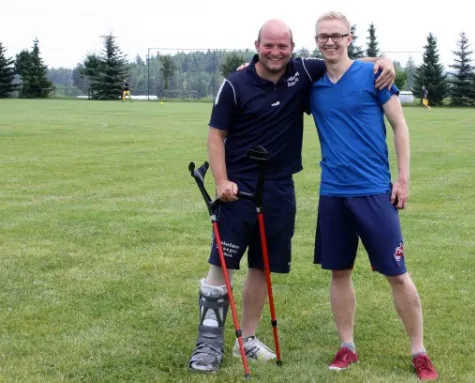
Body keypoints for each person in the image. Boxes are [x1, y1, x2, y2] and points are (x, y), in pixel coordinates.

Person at [188, 18, 397, 374]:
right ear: (256, 45)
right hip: (237, 188)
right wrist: (221, 181)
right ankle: (207, 344)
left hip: (279, 187)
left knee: (262, 266)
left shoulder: (301, 72)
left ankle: (247, 340)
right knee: (222, 263)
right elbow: (215, 135)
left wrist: (384, 60)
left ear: (293, 48)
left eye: (283, 46)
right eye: (269, 45)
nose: (276, 52)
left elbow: (341, 59)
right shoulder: (235, 84)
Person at [308, 11, 439, 381]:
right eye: (323, 37)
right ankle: (347, 345)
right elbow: (275, 70)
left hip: (373, 192)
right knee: (339, 271)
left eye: (337, 35)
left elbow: (400, 126)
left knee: (397, 273)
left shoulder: (374, 76)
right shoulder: (313, 83)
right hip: (333, 193)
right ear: (316, 41)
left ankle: (419, 351)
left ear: (350, 37)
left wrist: (403, 180)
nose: (330, 41)